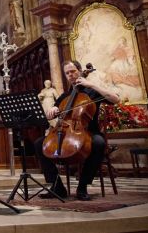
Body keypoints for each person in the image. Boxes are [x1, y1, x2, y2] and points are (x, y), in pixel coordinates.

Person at [33, 60, 119, 201]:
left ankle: (82, 186)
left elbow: (115, 99)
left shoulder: (92, 92)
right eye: (67, 73)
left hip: (89, 132)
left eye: (72, 71)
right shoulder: (64, 96)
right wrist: (54, 109)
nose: (70, 75)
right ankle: (57, 186)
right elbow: (54, 109)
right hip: (66, 132)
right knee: (39, 144)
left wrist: (91, 84)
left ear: (79, 71)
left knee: (98, 143)